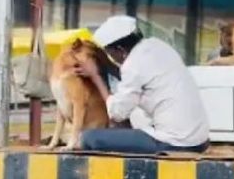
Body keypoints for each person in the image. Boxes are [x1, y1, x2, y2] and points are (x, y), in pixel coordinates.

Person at [73, 15, 210, 154]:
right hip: (199, 139)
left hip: (175, 142)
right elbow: (137, 76)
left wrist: (95, 76)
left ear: (120, 50)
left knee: (89, 138)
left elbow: (117, 113)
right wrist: (107, 65)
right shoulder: (157, 45)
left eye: (109, 53)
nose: (110, 57)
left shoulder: (132, 66)